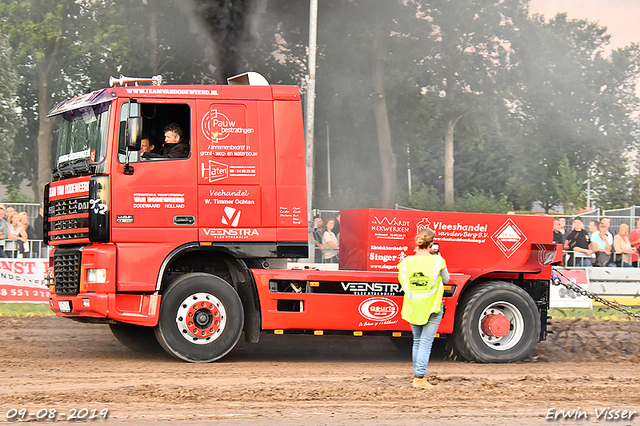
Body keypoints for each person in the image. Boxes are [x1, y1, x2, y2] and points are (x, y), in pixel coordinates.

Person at [397, 228, 449, 390]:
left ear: (417, 243)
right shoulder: (438, 261)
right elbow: (446, 280)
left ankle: (417, 375)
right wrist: (437, 257)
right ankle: (419, 378)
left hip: (413, 307)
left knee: (418, 342)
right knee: (426, 343)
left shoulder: (406, 262)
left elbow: (403, 283)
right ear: (432, 244)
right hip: (432, 307)